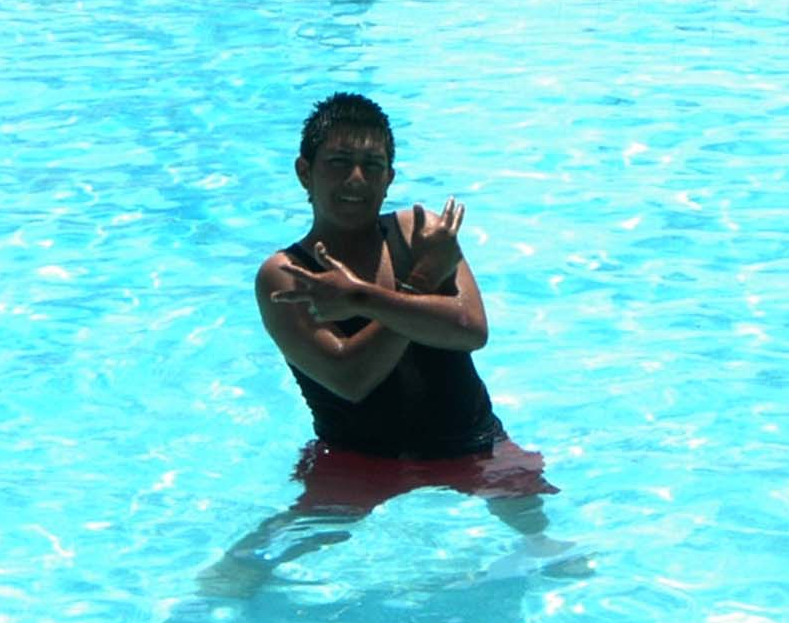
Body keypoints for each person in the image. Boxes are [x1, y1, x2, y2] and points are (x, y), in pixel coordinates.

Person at [201, 93, 568, 593]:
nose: (357, 179)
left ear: (389, 177)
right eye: (339, 163)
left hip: (470, 441)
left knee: (542, 534)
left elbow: (471, 330)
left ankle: (541, 545)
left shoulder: (420, 234)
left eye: (372, 166)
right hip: (359, 454)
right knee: (260, 561)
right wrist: (419, 285)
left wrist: (364, 298)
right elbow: (350, 378)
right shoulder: (286, 275)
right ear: (305, 172)